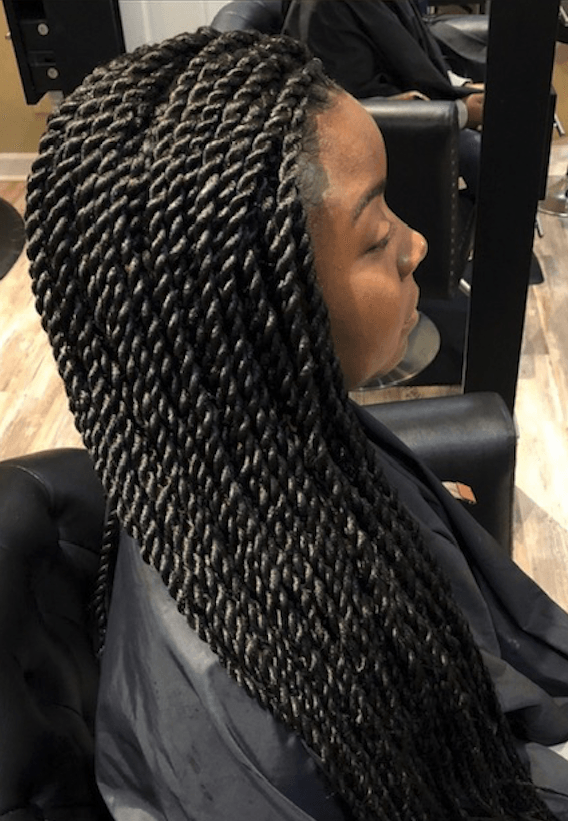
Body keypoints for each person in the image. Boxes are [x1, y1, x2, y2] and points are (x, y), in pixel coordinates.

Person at [25, 28, 568, 821]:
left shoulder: (252, 444)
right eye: (378, 235)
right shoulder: (269, 723)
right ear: (254, 316)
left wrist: (406, 519)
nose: (417, 243)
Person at [282, 0, 484, 197]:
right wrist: (462, 112)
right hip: (399, 143)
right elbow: (344, 111)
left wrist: (461, 87)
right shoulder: (324, 10)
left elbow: (414, 53)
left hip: (435, 113)